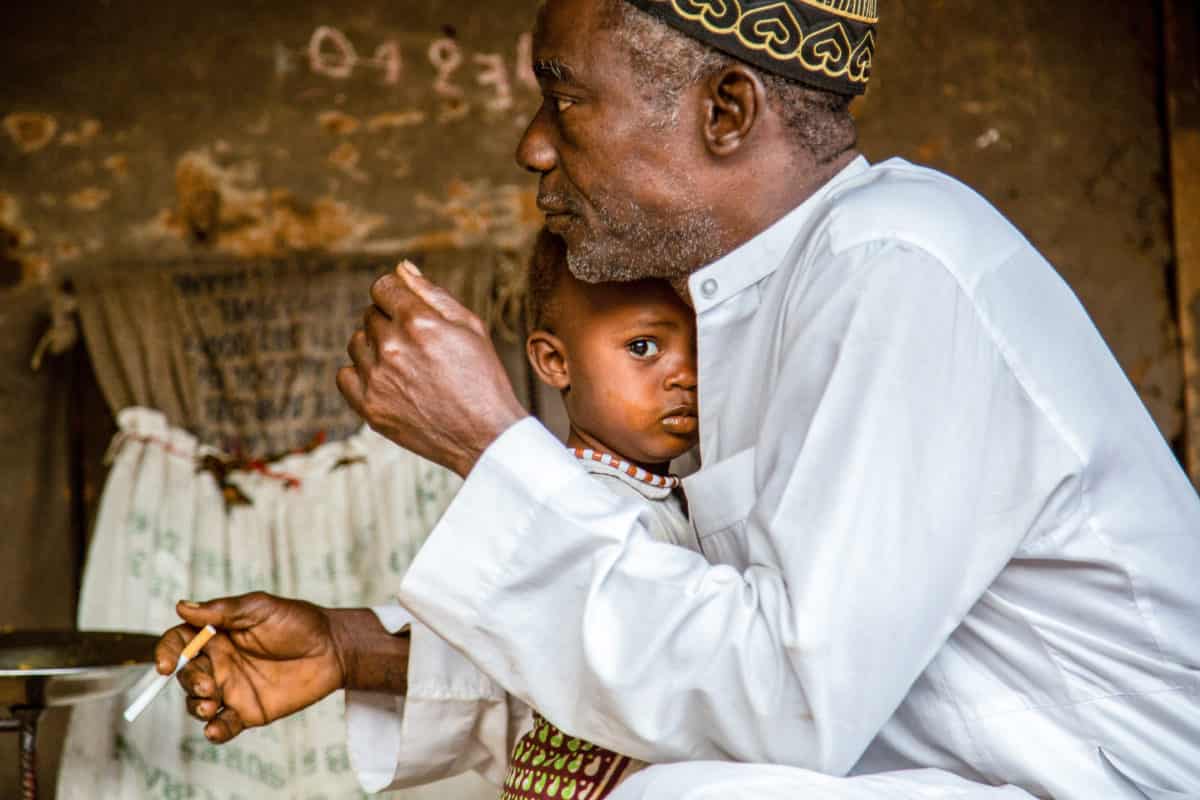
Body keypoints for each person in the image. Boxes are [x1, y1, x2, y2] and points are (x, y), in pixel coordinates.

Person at [157, 0, 1200, 797]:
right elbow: (692, 635)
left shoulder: (899, 266)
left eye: (565, 99)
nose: (533, 142)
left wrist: (492, 440)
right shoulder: (763, 304)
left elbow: (779, 701)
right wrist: (355, 648)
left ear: (726, 109)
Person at [502, 227, 699, 799]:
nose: (686, 374)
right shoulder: (582, 506)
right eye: (644, 347)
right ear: (554, 361)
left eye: (703, 344)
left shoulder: (652, 493)